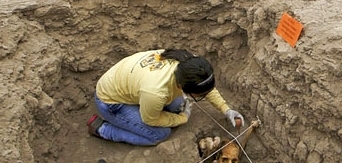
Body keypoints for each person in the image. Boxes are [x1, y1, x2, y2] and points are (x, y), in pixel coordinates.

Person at [86, 49, 245, 146]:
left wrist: (226, 109)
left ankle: (142, 108)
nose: (203, 96)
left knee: (176, 105)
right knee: (160, 134)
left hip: (128, 84)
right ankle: (104, 130)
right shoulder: (156, 91)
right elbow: (150, 120)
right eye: (199, 95)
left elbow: (204, 86)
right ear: (183, 87)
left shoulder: (188, 63)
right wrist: (182, 118)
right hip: (112, 103)